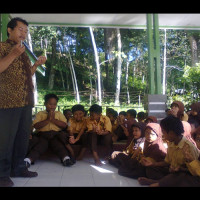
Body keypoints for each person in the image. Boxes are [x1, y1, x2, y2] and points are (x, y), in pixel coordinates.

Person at [0, 17, 46, 187]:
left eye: (26, 31)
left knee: (22, 138)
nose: (24, 34)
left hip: (26, 101)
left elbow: (27, 75)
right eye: (20, 29)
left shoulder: (23, 51)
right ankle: (2, 174)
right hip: (6, 102)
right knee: (5, 140)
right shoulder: (2, 47)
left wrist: (36, 64)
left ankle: (18, 168)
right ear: (9, 30)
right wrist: (12, 54)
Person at [138, 115, 200, 187]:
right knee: (151, 169)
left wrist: (180, 169)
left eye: (163, 132)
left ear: (171, 133)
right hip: (171, 173)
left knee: (181, 176)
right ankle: (162, 182)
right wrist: (152, 164)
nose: (163, 135)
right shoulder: (171, 143)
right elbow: (167, 162)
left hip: (181, 175)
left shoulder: (188, 147)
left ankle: (159, 182)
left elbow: (194, 172)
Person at [24, 94, 74, 168]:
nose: (52, 106)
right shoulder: (40, 114)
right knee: (40, 146)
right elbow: (36, 125)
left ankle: (65, 159)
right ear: (45, 104)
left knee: (58, 146)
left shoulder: (59, 114)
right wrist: (48, 120)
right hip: (43, 135)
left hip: (56, 135)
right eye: (50, 104)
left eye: (54, 104)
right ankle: (28, 160)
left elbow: (64, 125)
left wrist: (53, 120)